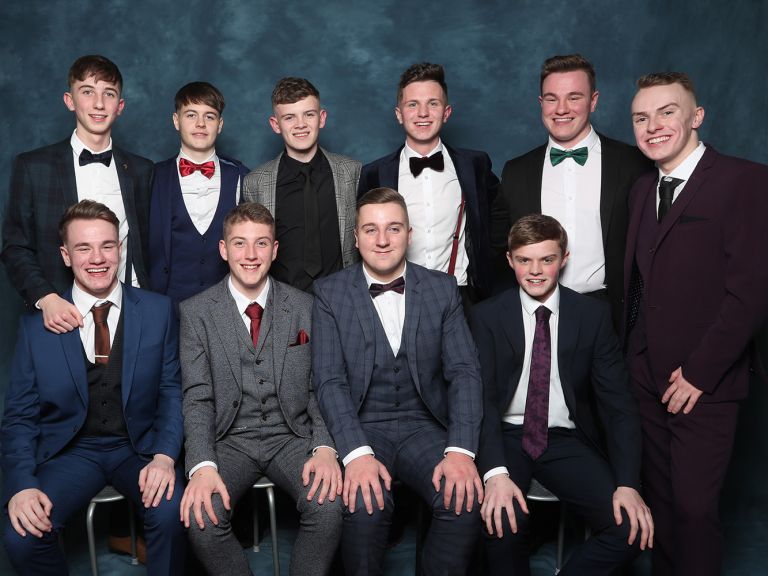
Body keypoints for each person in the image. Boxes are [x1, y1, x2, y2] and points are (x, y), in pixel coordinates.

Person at [624, 72, 768, 576]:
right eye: (641, 117)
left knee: (693, 509)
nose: (653, 126)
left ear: (696, 117)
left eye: (667, 112)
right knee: (662, 506)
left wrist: (700, 374)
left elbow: (751, 292)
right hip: (645, 376)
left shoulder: (745, 180)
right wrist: (632, 358)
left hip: (704, 381)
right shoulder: (642, 189)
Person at [1, 200, 185, 575]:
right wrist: (21, 485)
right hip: (70, 453)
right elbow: (18, 417)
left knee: (174, 512)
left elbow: (172, 393)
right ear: (66, 256)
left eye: (107, 245)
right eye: (84, 248)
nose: (97, 258)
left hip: (139, 449)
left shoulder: (159, 311)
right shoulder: (35, 328)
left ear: (120, 248)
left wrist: (165, 457)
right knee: (22, 537)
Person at [311, 187, 483, 575]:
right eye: (370, 229)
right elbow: (329, 381)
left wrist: (460, 451)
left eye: (393, 228)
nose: (383, 240)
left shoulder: (441, 288)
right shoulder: (329, 293)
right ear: (356, 238)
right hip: (364, 427)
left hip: (425, 427)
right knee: (364, 504)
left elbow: (465, 372)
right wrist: (356, 454)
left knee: (463, 500)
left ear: (409, 233)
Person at [471, 214, 652, 575]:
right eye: (524, 260)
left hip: (564, 438)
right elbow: (482, 403)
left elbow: (618, 406)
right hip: (506, 435)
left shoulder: (591, 316)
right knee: (501, 522)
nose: (535, 271)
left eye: (547, 259)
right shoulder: (486, 316)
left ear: (564, 258)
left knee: (629, 530)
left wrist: (628, 484)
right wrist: (495, 473)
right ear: (509, 260)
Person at [179, 202, 342, 576]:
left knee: (329, 505)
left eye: (261, 243)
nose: (250, 255)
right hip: (230, 440)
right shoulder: (196, 312)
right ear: (224, 249)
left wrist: (325, 447)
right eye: (240, 243)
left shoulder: (305, 306)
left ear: (275, 249)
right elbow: (197, 396)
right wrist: (201, 465)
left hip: (291, 436)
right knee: (202, 517)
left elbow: (322, 386)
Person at [492, 54, 652, 329]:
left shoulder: (633, 164)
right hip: (536, 314)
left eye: (574, 97)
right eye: (552, 99)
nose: (561, 109)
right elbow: (497, 250)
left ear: (593, 101)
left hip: (611, 314)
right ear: (541, 103)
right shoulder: (516, 171)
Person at [1, 54, 152, 334]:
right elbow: (16, 247)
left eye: (109, 94)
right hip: (60, 314)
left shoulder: (142, 171)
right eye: (87, 92)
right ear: (69, 101)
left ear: (120, 106)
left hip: (130, 314)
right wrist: (46, 298)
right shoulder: (33, 167)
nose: (98, 103)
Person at [357, 63, 499, 305]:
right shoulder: (374, 173)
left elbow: (499, 219)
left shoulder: (473, 165)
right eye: (412, 104)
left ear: (446, 112)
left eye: (433, 103)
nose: (423, 113)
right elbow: (364, 236)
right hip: (396, 296)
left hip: (461, 296)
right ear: (399, 114)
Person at [242, 77, 360, 292]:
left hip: (343, 295)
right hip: (283, 299)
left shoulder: (352, 172)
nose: (301, 125)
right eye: (289, 117)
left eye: (309, 114)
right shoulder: (255, 183)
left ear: (321, 118)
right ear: (275, 124)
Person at [149, 81, 249, 308]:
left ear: (220, 125)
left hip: (227, 308)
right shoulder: (152, 177)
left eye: (209, 116)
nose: (200, 124)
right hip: (165, 307)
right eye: (191, 115)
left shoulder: (241, 176)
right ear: (176, 121)